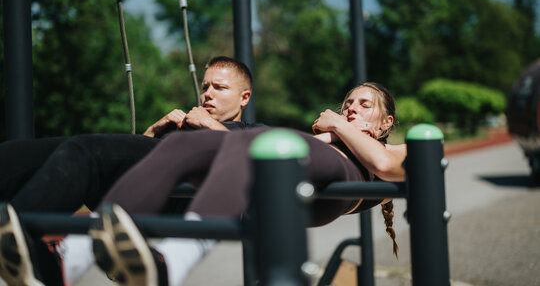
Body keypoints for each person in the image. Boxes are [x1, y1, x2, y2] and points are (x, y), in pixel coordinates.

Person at [0, 82, 406, 286]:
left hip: (320, 167)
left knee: (245, 144)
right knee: (178, 147)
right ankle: (73, 256)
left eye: (363, 105)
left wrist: (335, 125)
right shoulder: (327, 138)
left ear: (386, 123)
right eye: (347, 103)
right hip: (287, 157)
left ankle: (174, 262)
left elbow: (386, 165)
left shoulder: (398, 147)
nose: (351, 107)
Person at [0, 56, 260, 213]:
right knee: (19, 153)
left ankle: (19, 232)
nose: (208, 94)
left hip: (177, 191)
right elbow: (132, 152)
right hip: (134, 175)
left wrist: (208, 124)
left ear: (244, 97)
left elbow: (249, 160)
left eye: (220, 87)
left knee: (86, 150)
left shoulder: (251, 132)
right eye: (205, 87)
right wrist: (153, 130)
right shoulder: (184, 124)